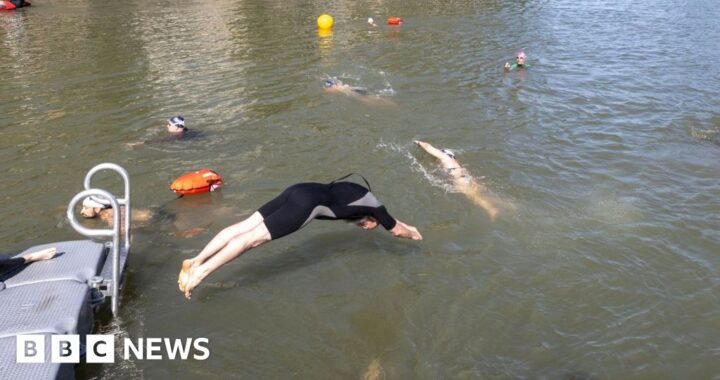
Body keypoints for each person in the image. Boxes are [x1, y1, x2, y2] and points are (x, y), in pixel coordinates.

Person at [178, 176, 423, 299]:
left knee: (245, 225)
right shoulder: (376, 209)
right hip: (308, 203)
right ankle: (201, 273)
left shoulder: (360, 194)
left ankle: (196, 260)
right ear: (373, 219)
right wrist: (415, 235)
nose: (365, 228)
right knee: (252, 238)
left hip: (299, 189)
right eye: (369, 226)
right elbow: (396, 229)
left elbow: (393, 221)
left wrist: (404, 223)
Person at [414, 140, 499, 219]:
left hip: (459, 180)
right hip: (466, 178)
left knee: (474, 197)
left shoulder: (444, 157)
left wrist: (419, 143)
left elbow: (428, 147)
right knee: (480, 194)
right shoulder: (455, 162)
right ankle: (505, 204)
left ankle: (491, 209)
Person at [323, 78, 394, 105]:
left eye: (327, 88)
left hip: (357, 92)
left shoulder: (347, 91)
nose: (326, 90)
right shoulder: (346, 88)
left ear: (334, 86)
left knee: (376, 100)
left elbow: (365, 100)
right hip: (358, 91)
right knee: (378, 98)